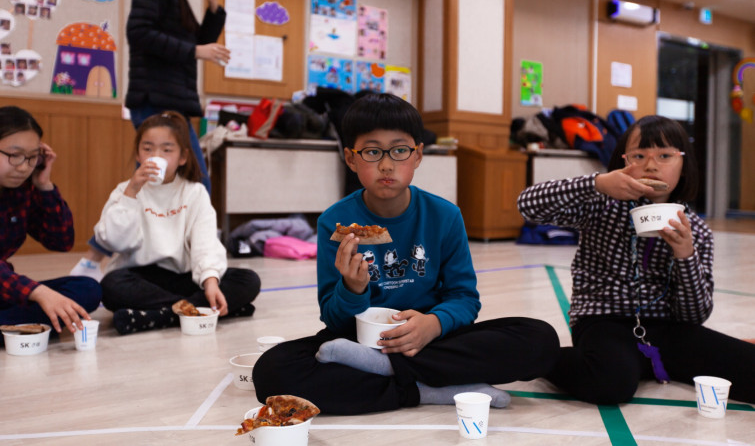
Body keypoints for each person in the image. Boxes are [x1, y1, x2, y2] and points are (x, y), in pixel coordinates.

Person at [253, 93, 559, 415]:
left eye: (399, 151)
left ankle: (385, 372)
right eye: (372, 152)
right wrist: (352, 289)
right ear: (351, 159)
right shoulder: (336, 222)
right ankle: (425, 389)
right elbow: (333, 318)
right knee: (272, 371)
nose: (386, 165)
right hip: (359, 340)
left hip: (429, 338)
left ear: (418, 155)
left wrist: (434, 323)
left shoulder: (445, 216)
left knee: (539, 339)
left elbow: (464, 298)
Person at [517, 115, 755, 405]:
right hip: (603, 321)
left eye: (665, 156)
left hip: (669, 329)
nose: (651, 166)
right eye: (639, 156)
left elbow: (694, 316)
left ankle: (641, 363)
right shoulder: (602, 205)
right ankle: (547, 358)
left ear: (684, 163)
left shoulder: (697, 230)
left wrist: (685, 256)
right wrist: (597, 183)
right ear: (623, 161)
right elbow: (527, 205)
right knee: (610, 383)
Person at [70, 0, 230, 280]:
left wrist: (214, 8)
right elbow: (139, 33)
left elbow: (196, 42)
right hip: (157, 97)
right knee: (187, 180)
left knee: (170, 180)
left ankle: (97, 259)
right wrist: (196, 50)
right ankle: (96, 258)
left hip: (170, 98)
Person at [94, 112, 260, 335]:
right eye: (148, 148)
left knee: (248, 279)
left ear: (183, 157)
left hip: (185, 276)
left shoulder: (194, 192)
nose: (156, 156)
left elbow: (205, 243)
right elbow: (113, 241)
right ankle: (202, 311)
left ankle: (158, 316)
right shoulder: (125, 190)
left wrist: (210, 281)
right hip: (141, 277)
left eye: (167, 150)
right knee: (111, 285)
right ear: (138, 154)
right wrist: (131, 193)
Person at [0, 106, 101, 335]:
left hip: (5, 289)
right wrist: (38, 292)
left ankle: (13, 327)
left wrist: (44, 186)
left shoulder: (23, 189)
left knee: (87, 289)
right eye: (14, 155)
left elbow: (61, 241)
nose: (24, 167)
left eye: (32, 157)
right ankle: (22, 327)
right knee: (49, 299)